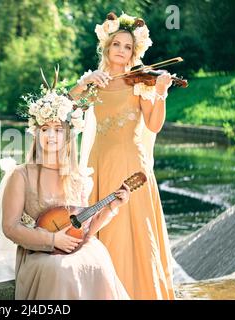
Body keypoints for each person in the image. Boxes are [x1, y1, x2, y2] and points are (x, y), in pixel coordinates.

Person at [70, 12, 175, 299]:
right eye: (117, 44)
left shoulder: (140, 82)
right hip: (99, 162)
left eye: (127, 47)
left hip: (131, 165)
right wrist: (84, 82)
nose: (121, 50)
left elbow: (153, 124)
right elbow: (67, 106)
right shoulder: (97, 81)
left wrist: (162, 93)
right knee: (98, 226)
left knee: (130, 228)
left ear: (133, 52)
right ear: (107, 47)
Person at [2, 73, 131, 300]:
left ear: (68, 135)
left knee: (98, 257)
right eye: (45, 129)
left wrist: (113, 207)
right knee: (62, 270)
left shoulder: (76, 177)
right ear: (37, 133)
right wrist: (52, 240)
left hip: (73, 249)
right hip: (38, 253)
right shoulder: (21, 175)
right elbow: (10, 228)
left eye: (58, 130)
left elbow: (86, 231)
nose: (51, 136)